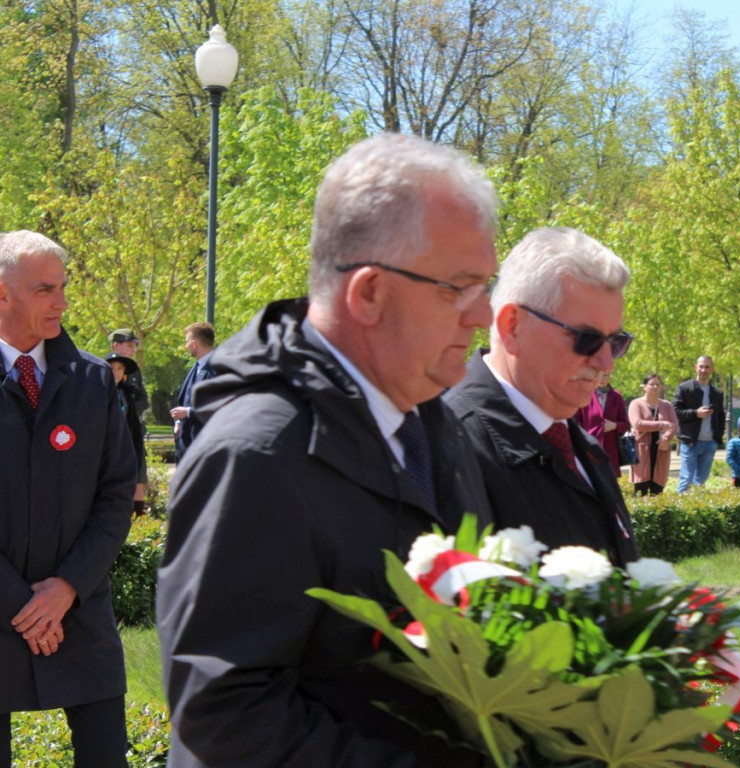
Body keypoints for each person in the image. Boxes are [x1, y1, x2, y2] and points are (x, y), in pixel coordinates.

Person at [157, 134, 498, 767]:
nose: (483, 315)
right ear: (368, 293)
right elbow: (226, 713)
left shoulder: (434, 423)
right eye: (460, 287)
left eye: (487, 285)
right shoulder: (257, 456)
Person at [0, 231, 136, 768]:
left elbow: (115, 492)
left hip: (79, 611)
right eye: (44, 290)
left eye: (62, 288)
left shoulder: (93, 379)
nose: (61, 303)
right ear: (2, 294)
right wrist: (23, 604)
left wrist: (66, 588)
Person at [444, 226, 637, 566]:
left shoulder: (582, 447)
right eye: (587, 339)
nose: (605, 363)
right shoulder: (446, 448)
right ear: (512, 326)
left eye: (616, 342)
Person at [109, 328, 149, 515]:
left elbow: (143, 399)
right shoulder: (101, 367)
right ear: (116, 345)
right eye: (130, 345)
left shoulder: (134, 371)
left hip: (132, 432)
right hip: (111, 437)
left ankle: (139, 520)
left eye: (135, 346)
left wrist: (129, 415)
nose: (133, 350)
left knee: (138, 474)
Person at [672, 355, 725, 493]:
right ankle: (680, 505)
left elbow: (721, 416)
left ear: (712, 369)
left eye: (707, 367)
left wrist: (717, 438)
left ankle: (696, 505)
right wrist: (696, 413)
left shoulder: (717, 393)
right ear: (696, 368)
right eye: (701, 366)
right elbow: (675, 411)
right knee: (686, 479)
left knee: (701, 481)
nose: (703, 370)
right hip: (690, 442)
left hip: (710, 443)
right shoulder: (684, 388)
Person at [168, 322, 215, 461]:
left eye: (187, 341)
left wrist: (188, 412)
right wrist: (178, 422)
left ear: (194, 343)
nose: (186, 345)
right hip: (187, 446)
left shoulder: (218, 368)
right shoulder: (197, 366)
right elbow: (185, 398)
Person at [627, 373, 678, 496]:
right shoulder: (636, 404)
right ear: (644, 386)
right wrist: (661, 424)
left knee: (657, 487)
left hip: (661, 448)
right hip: (641, 448)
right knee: (641, 487)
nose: (655, 387)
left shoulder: (667, 405)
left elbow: (674, 424)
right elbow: (637, 423)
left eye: (657, 384)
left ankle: (656, 508)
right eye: (651, 384)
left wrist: (666, 438)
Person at [574, 370, 630, 476]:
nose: (601, 378)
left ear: (609, 377)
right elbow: (574, 423)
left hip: (611, 450)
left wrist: (614, 426)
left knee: (609, 481)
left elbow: (626, 424)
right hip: (590, 448)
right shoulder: (585, 395)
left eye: (605, 375)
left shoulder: (617, 397)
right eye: (598, 375)